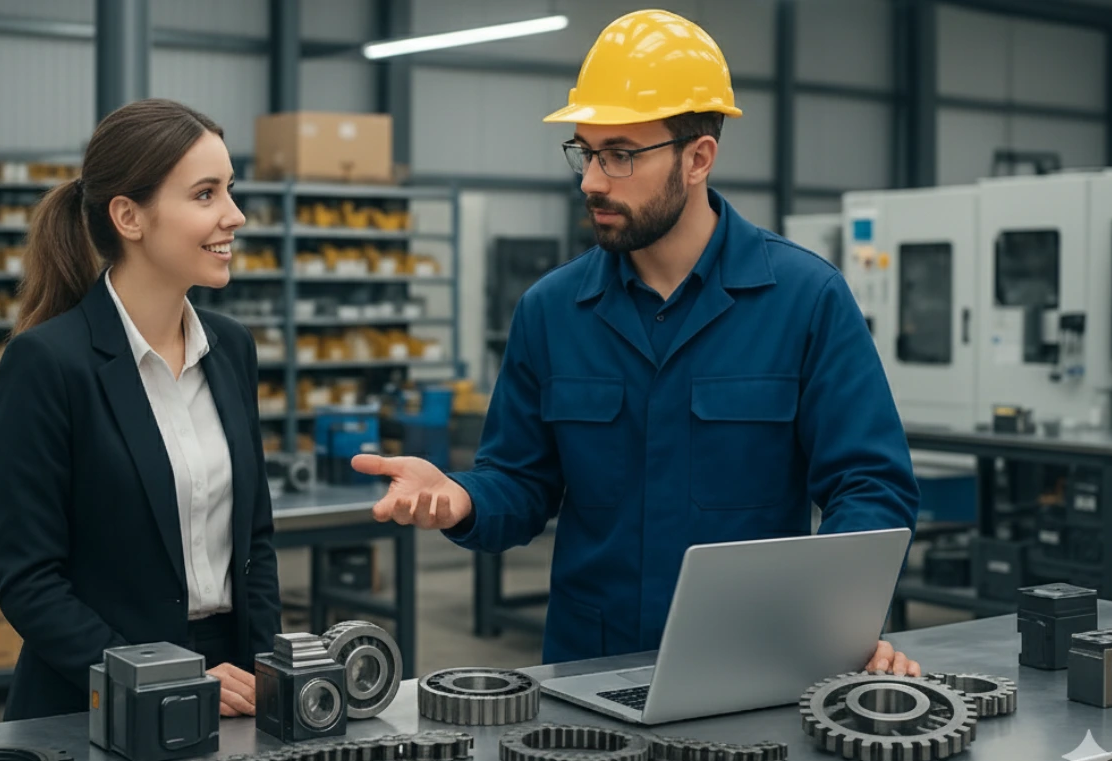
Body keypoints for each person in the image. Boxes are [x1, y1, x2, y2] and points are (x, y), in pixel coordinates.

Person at [353, 10, 922, 676]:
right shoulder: (552, 311)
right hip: (588, 675)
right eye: (586, 152)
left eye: (620, 154)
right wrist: (463, 497)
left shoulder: (805, 300)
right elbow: (520, 483)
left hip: (757, 666)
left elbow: (871, 486)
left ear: (698, 158)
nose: (592, 180)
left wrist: (836, 621)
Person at [0, 98, 282, 722]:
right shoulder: (47, 363)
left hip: (232, 688)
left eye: (230, 189)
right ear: (129, 216)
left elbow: (254, 541)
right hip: (95, 698)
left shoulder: (231, 349)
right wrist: (168, 681)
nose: (235, 215)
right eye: (205, 195)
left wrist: (265, 677)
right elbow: (31, 585)